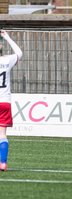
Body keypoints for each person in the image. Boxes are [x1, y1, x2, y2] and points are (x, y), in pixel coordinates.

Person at [0, 30, 23, 171]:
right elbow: (19, 53)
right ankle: (3, 162)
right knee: (2, 134)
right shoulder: (7, 61)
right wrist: (7, 37)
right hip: (4, 102)